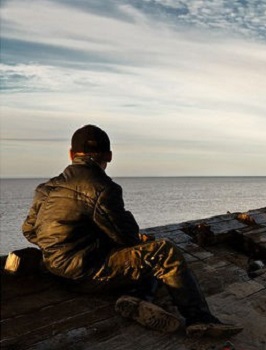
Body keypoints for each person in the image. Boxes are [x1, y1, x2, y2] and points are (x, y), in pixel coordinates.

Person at [22, 124, 242, 337]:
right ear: (108, 156)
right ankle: (199, 320)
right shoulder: (103, 188)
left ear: (71, 154)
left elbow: (30, 231)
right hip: (84, 276)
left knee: (145, 256)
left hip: (55, 271)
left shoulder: (45, 188)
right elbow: (126, 236)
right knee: (163, 252)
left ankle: (138, 297)